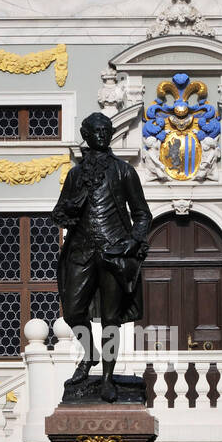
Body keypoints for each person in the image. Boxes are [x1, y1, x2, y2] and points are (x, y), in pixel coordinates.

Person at [50, 112, 153, 402]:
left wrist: (132, 241)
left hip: (113, 252)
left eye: (106, 130)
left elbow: (143, 215)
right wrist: (71, 207)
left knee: (111, 319)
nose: (102, 135)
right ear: (87, 134)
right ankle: (90, 353)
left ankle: (107, 379)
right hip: (81, 252)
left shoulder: (123, 171)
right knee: (72, 311)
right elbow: (57, 213)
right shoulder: (75, 175)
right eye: (96, 130)